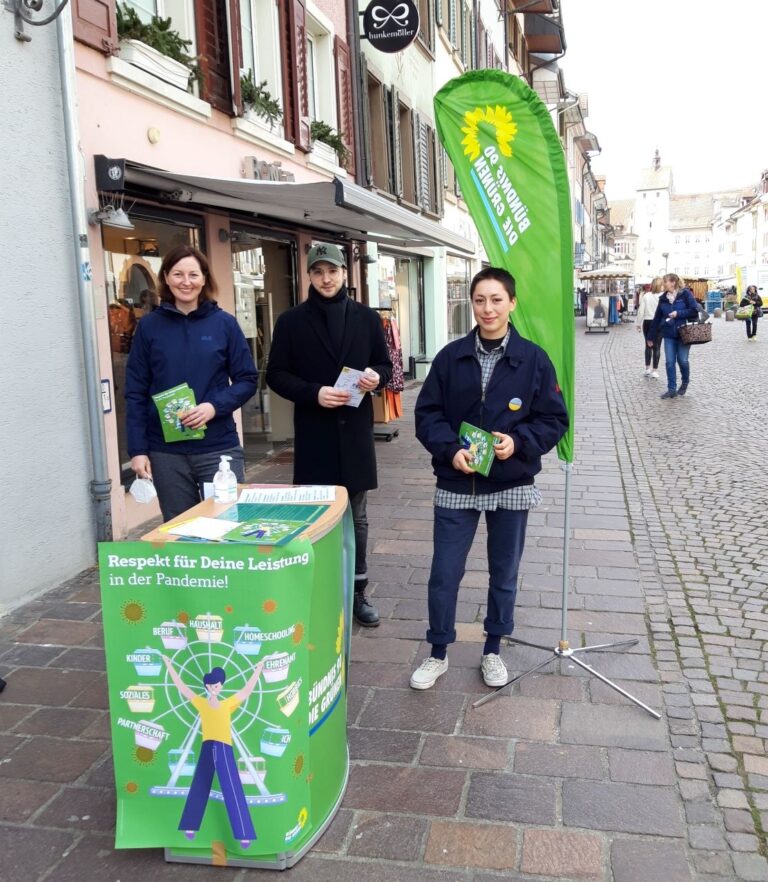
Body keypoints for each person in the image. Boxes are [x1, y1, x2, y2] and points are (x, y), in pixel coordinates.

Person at [410, 267, 569, 691]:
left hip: (510, 485)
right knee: (444, 573)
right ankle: (438, 651)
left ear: (512, 303)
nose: (488, 308)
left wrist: (518, 443)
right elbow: (427, 415)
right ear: (471, 304)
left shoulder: (533, 359)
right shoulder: (449, 357)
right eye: (480, 300)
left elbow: (554, 419)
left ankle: (493, 648)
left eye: (497, 299)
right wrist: (450, 450)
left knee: (504, 573)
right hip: (456, 484)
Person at [266, 243, 392, 627]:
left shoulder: (367, 318)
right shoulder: (290, 321)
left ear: (344, 274)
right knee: (315, 515)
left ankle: (357, 591)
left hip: (354, 432)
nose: (326, 278)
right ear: (309, 275)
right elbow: (276, 375)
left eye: (332, 271)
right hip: (315, 433)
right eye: (318, 272)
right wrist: (314, 392)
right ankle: (319, 589)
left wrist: (376, 378)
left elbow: (386, 366)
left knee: (357, 515)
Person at [125, 245, 258, 520]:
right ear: (166, 278)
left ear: (205, 279)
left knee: (228, 523)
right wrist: (138, 451)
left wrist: (213, 407)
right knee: (179, 528)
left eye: (193, 275)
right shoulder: (149, 327)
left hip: (218, 448)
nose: (186, 282)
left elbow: (247, 379)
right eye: (178, 274)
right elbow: (136, 391)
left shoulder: (224, 324)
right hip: (165, 452)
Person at [162, 657, 264, 848]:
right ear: (207, 687)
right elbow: (183, 688)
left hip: (224, 746)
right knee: (200, 783)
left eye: (216, 685)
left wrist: (258, 670)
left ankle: (244, 833)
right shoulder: (201, 703)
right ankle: (190, 825)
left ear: (221, 685)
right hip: (207, 745)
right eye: (210, 686)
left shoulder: (227, 704)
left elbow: (246, 691)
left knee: (232, 786)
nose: (213, 688)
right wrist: (169, 666)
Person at [647, 272, 699, 399]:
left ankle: (685, 381)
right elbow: (657, 318)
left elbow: (694, 310)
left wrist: (678, 313)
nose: (663, 284)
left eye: (665, 282)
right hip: (669, 334)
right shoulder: (663, 298)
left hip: (684, 334)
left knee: (683, 361)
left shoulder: (685, 294)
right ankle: (671, 389)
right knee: (670, 362)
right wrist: (650, 337)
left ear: (673, 282)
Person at [636, 277, 662, 378]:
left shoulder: (646, 296)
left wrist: (638, 323)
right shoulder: (662, 296)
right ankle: (655, 370)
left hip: (647, 322)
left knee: (648, 345)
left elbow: (641, 311)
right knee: (657, 347)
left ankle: (647, 368)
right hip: (658, 323)